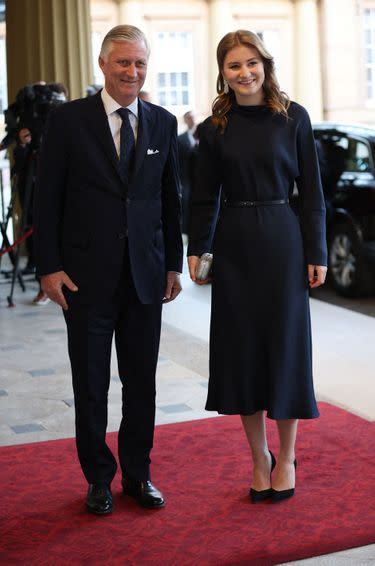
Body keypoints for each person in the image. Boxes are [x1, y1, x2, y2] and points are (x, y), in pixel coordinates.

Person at [34, 25, 183, 515]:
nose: (132, 72)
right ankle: (98, 478)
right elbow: (46, 197)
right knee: (91, 384)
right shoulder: (68, 121)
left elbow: (168, 200)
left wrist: (173, 265)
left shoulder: (162, 123)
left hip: (145, 277)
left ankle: (138, 475)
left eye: (140, 63)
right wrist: (49, 268)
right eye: (123, 63)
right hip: (85, 279)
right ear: (103, 65)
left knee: (142, 383)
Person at [187, 30, 327, 503]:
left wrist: (318, 252)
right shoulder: (214, 128)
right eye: (233, 65)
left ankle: (287, 456)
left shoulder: (293, 118)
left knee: (284, 349)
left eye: (251, 63)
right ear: (223, 73)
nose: (244, 72)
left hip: (284, 242)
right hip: (234, 245)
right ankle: (258, 457)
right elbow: (204, 197)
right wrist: (197, 249)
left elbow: (312, 194)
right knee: (243, 352)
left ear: (265, 65)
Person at [178, 110, 197, 236]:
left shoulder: (205, 134)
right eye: (189, 118)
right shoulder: (180, 139)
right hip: (186, 179)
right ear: (185, 120)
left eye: (193, 117)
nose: (192, 120)